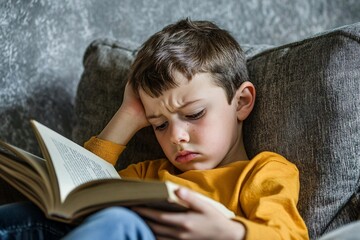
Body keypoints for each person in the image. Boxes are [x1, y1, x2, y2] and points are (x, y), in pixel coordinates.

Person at [0, 19, 309, 239]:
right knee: (27, 216)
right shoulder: (149, 175)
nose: (176, 137)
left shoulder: (262, 172)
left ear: (241, 101)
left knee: (119, 221)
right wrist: (129, 115)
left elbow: (289, 235)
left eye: (194, 113)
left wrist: (229, 232)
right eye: (160, 124)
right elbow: (80, 194)